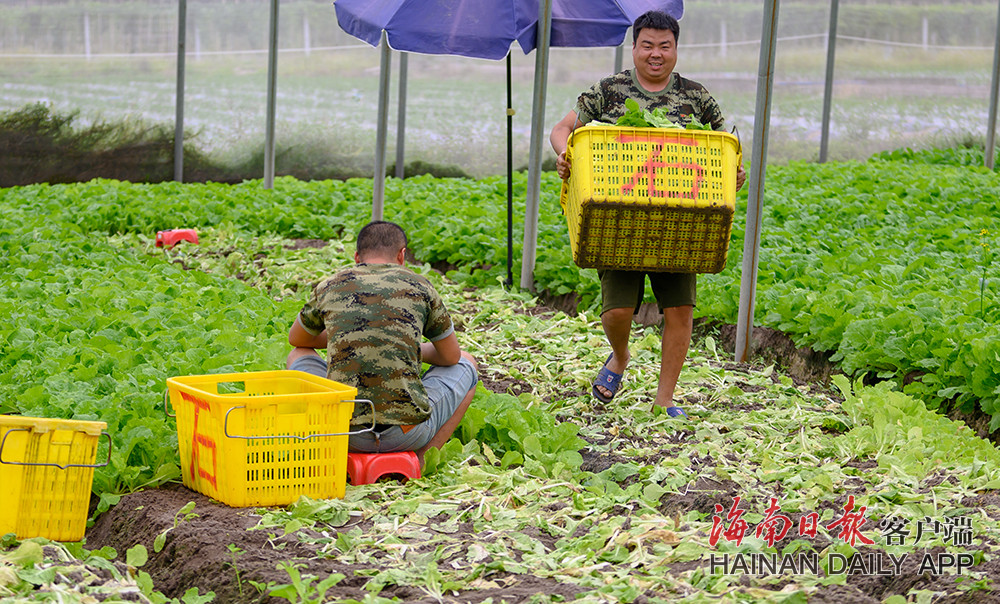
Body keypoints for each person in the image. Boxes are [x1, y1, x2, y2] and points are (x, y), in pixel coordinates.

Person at [549, 10, 747, 418]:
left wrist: (735, 173)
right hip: (619, 216)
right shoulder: (609, 90)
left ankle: (665, 399)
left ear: (675, 49)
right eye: (648, 46)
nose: (656, 54)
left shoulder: (696, 97)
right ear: (634, 47)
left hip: (681, 218)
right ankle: (619, 356)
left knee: (680, 309)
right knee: (618, 310)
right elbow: (563, 129)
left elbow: (727, 145)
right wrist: (566, 153)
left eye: (665, 46)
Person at [286, 220, 478, 466]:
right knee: (467, 362)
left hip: (343, 432)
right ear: (402, 255)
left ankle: (329, 453)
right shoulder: (421, 286)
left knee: (297, 354)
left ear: (357, 256)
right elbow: (452, 356)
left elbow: (298, 340)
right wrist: (408, 346)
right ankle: (419, 461)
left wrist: (345, 337)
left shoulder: (331, 284)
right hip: (407, 434)